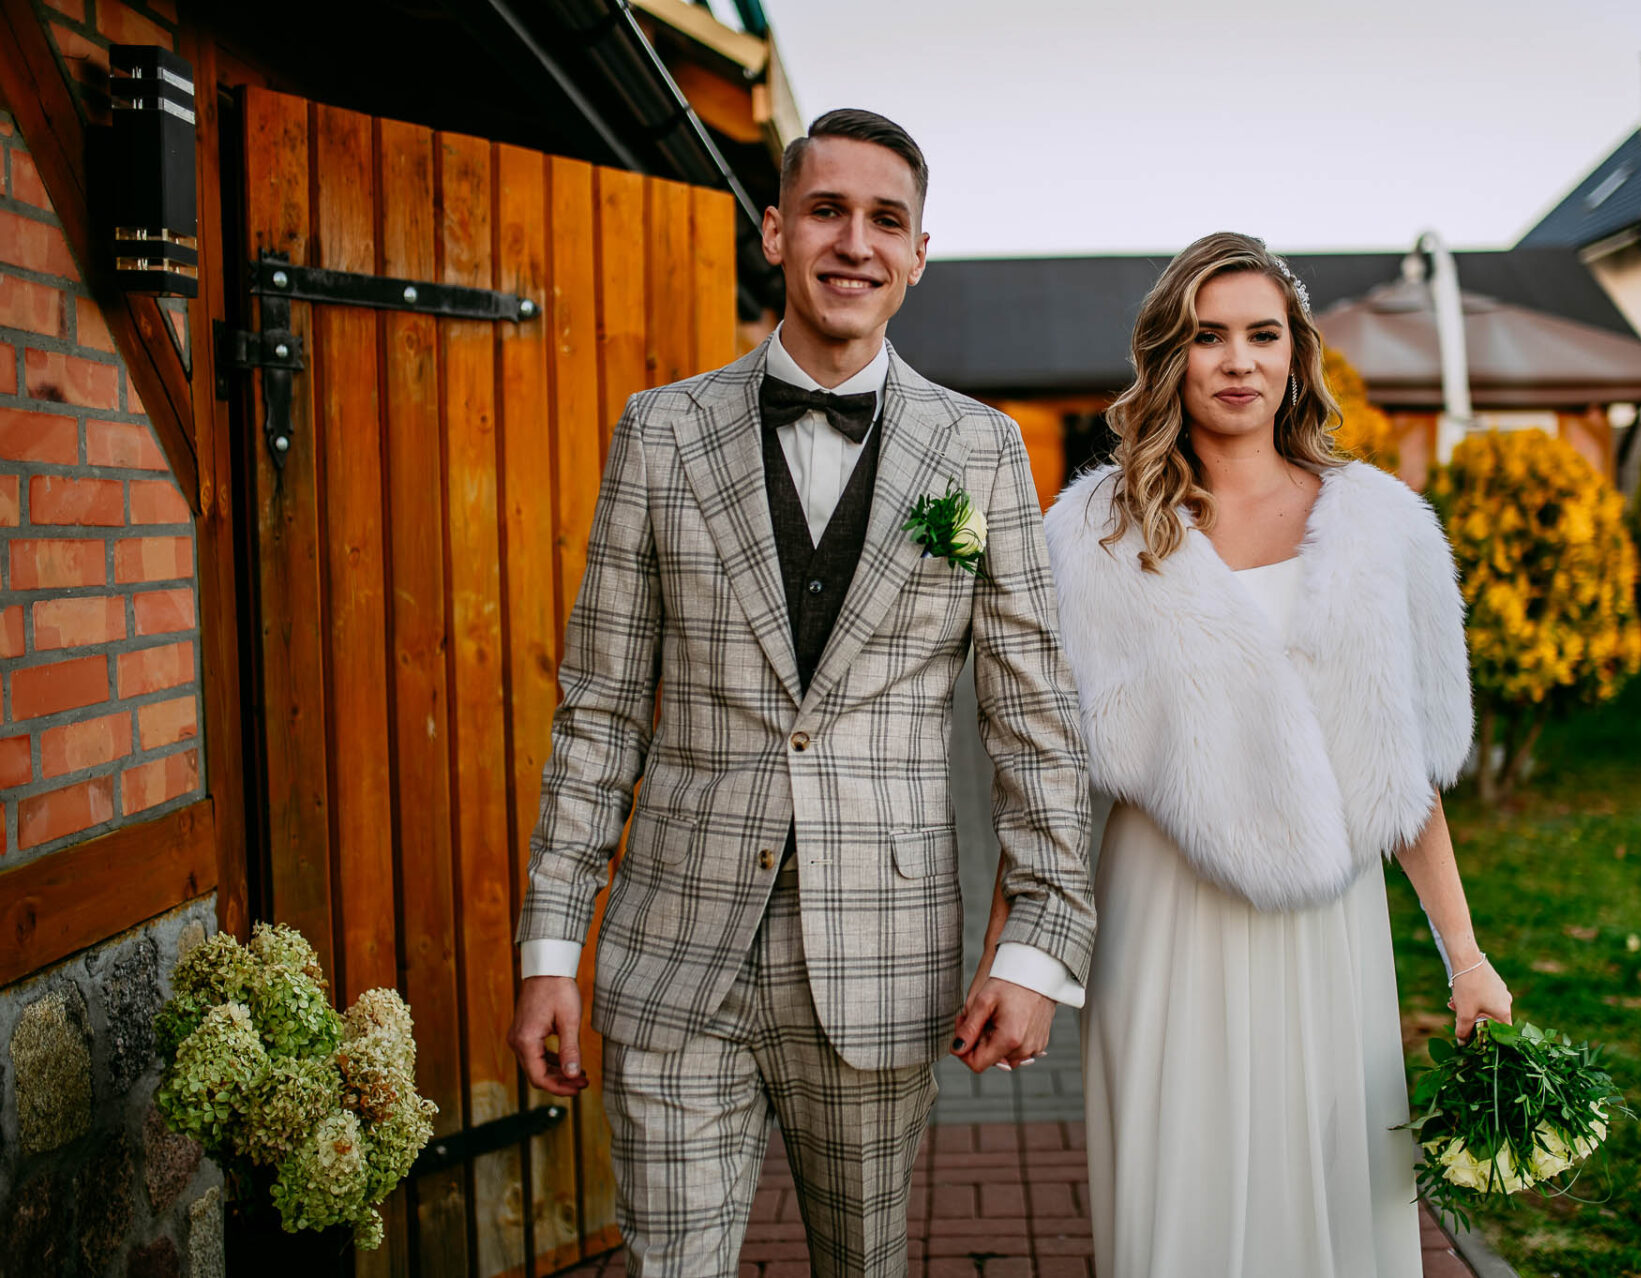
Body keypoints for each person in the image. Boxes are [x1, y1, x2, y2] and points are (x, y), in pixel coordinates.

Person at [507, 109, 1096, 1278]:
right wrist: (549, 947)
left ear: (919, 252)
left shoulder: (981, 452)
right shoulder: (661, 433)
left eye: (886, 219)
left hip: (882, 960)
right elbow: (600, 710)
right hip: (676, 950)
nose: (854, 242)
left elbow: (1034, 722)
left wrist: (1038, 948)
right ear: (776, 232)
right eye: (827, 211)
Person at [1032, 231, 1514, 1277]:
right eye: (1208, 337)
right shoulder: (1096, 532)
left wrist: (1466, 958)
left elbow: (1402, 772)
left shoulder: (1379, 525)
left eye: (1262, 335)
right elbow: (1046, 777)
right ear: (1171, 357)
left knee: (1327, 1183)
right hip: (1162, 911)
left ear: (1296, 354)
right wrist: (1021, 957)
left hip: (1326, 923)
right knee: (1178, 1189)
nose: (1237, 361)